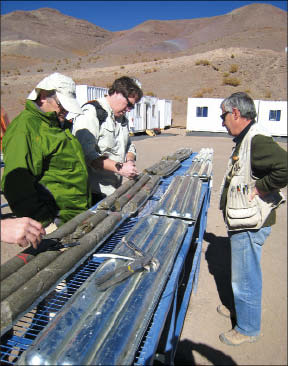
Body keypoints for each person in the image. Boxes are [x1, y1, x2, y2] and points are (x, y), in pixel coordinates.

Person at [218, 92, 287, 346]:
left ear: (236, 113)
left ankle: (247, 328)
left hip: (250, 223)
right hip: (243, 219)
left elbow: (285, 167)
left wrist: (260, 188)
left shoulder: (256, 140)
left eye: (223, 116)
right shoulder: (245, 138)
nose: (222, 122)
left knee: (245, 277)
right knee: (243, 273)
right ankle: (240, 308)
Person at [1, 73, 91, 229]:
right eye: (62, 105)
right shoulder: (26, 128)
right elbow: (16, 185)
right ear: (43, 96)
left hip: (74, 218)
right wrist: (44, 224)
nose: (66, 111)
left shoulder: (56, 124)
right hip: (57, 224)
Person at [72, 76, 143, 205]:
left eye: (132, 107)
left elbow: (128, 146)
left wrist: (130, 161)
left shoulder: (121, 119)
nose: (129, 110)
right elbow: (86, 154)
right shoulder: (91, 113)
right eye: (129, 105)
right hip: (91, 194)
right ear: (117, 93)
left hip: (111, 191)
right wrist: (120, 168)